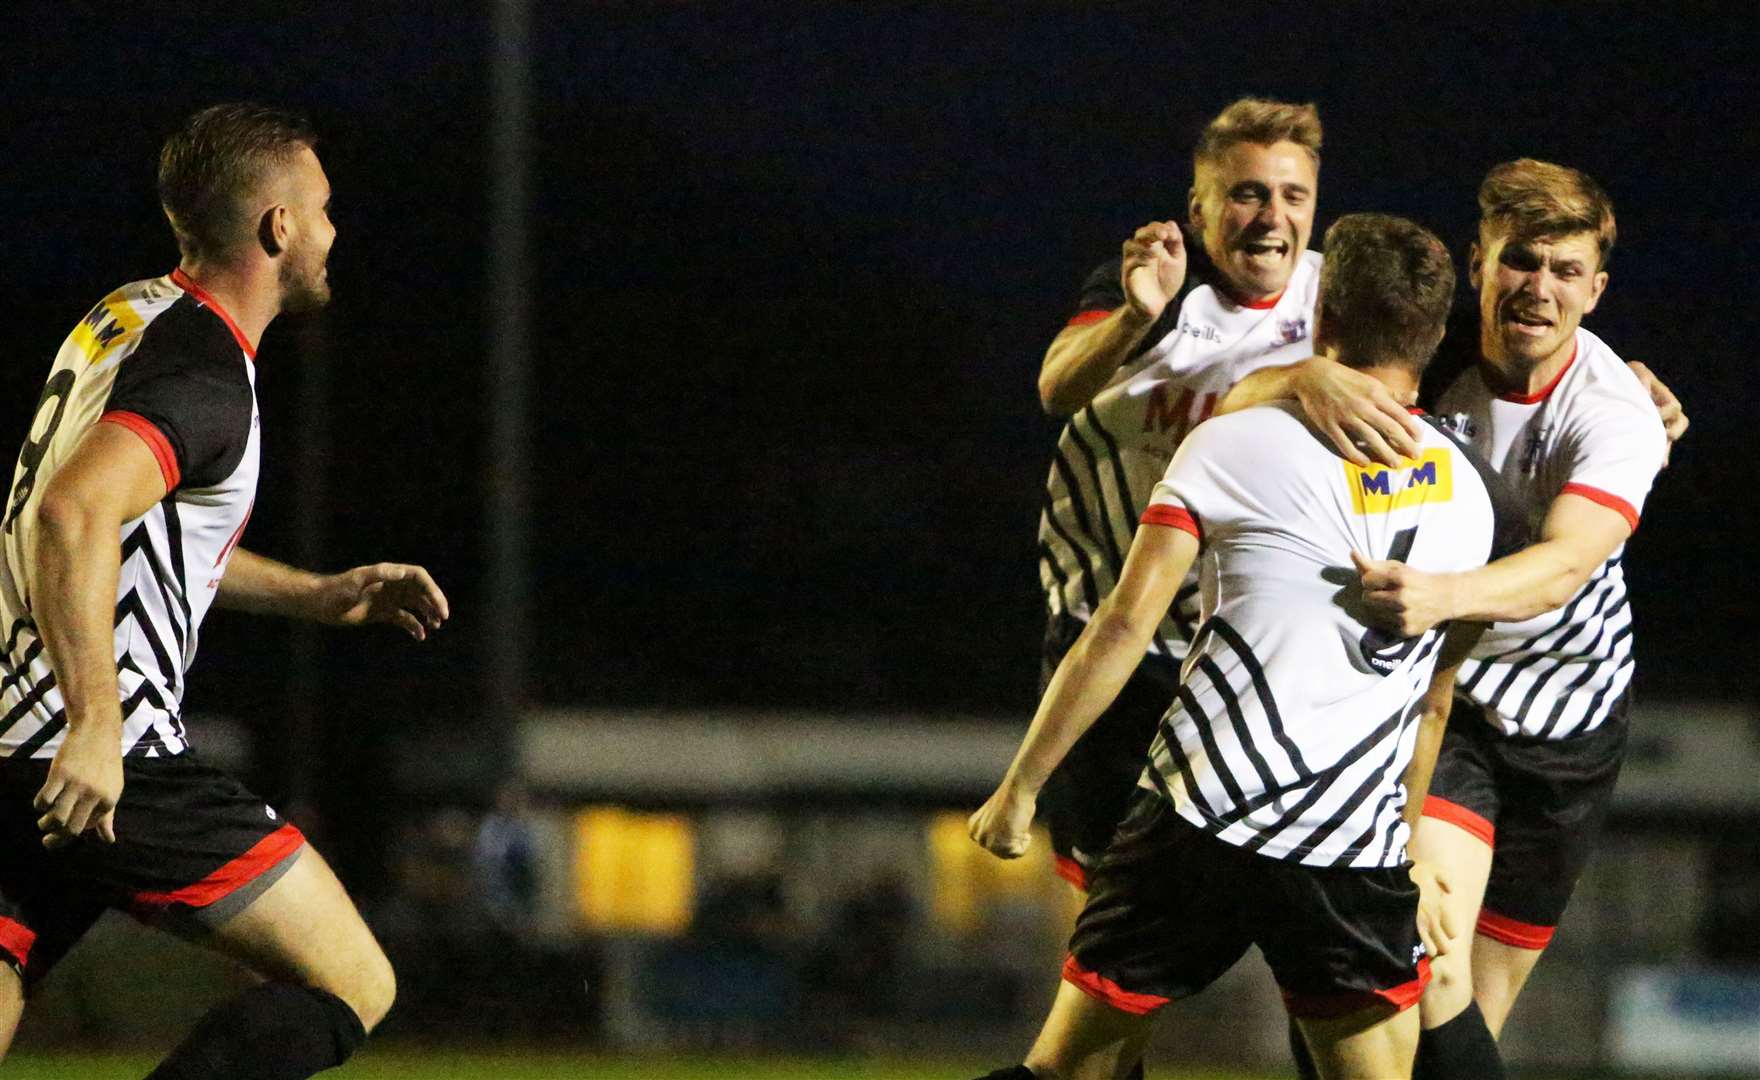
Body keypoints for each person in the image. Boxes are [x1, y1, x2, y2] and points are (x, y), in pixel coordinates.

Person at [971, 213, 1524, 1080]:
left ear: (1323, 320)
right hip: (1349, 843)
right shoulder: (1474, 502)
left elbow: (1122, 624)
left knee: (1065, 1073)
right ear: (1434, 332)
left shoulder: (1233, 441)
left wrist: (1020, 790)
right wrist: (1409, 840)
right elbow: (1435, 699)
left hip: (1199, 815)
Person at [0, 104, 449, 1079]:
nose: (334, 233)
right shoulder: (205, 373)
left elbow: (135, 531)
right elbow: (70, 516)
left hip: (13, 747)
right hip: (107, 762)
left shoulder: (125, 317)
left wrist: (320, 596)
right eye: (323, 210)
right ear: (279, 228)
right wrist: (93, 720)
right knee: (352, 986)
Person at [1033, 97, 1426, 902]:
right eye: (1247, 193)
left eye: (1293, 196)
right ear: (1199, 207)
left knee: (1301, 908)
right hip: (1115, 651)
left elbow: (1462, 372)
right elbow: (1056, 387)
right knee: (1109, 912)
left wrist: (1625, 388)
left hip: (1254, 661)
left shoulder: (1340, 304)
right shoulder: (1158, 285)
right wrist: (1135, 320)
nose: (1270, 217)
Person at [1348, 160, 1669, 1074]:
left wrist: (1439, 596)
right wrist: (1313, 379)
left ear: (1595, 291)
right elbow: (1311, 342)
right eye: (1520, 261)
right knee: (1423, 967)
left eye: (1566, 271)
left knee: (1469, 1024)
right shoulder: (1425, 357)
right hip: (1452, 707)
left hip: (1572, 728)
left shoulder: (1617, 415)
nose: (1539, 288)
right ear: (1477, 261)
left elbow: (1567, 564)